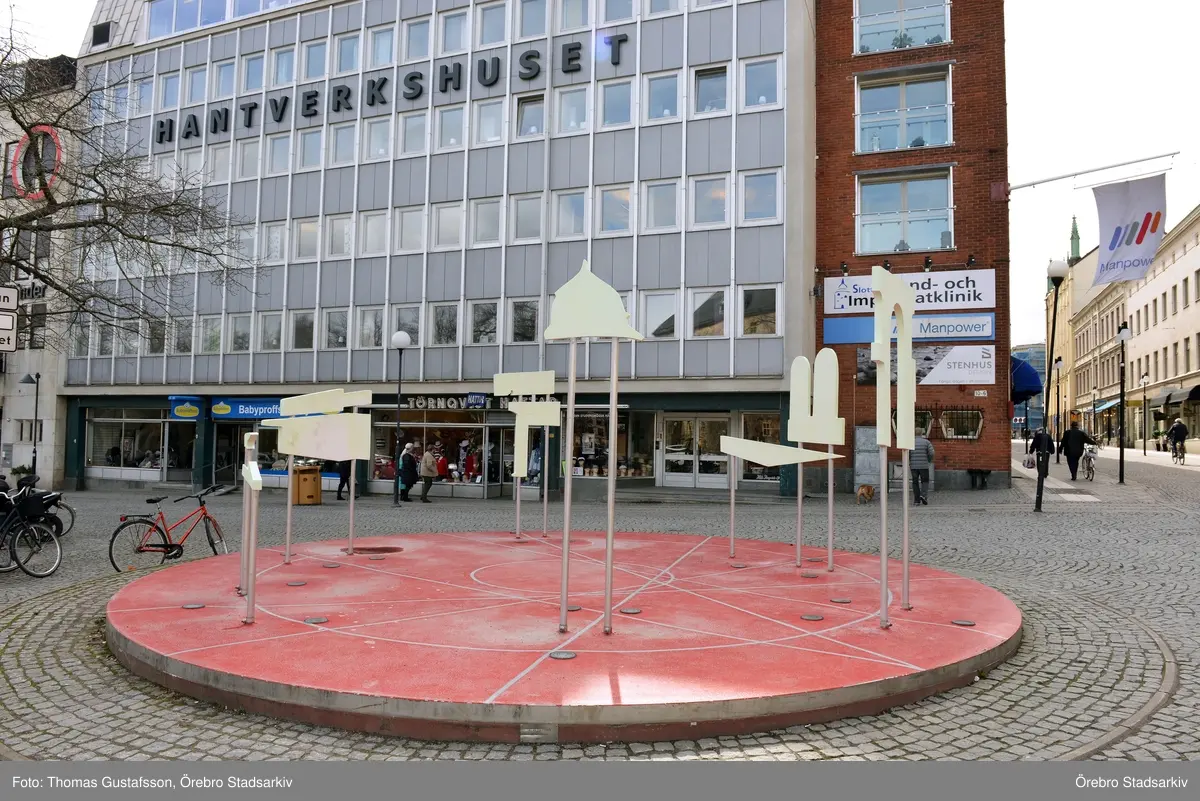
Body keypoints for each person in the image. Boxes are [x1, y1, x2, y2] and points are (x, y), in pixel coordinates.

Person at [909, 434, 935, 505]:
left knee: (915, 482)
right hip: (924, 466)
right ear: (921, 434)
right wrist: (929, 460)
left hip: (914, 466)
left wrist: (910, 461)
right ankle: (923, 495)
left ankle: (916, 500)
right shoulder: (927, 442)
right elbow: (932, 453)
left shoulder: (910, 442)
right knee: (925, 481)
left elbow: (908, 453)